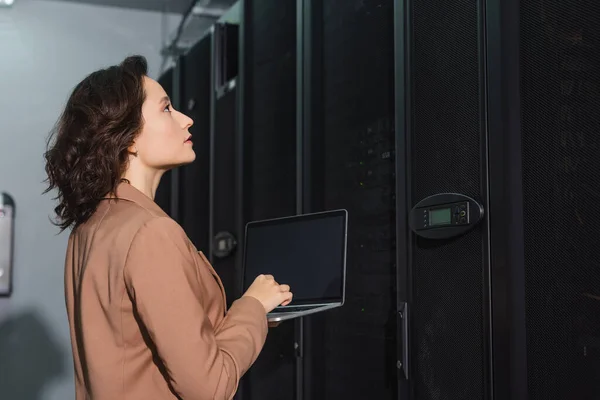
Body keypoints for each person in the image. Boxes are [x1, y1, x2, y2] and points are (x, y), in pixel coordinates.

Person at [44, 55, 293, 400]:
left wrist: (249, 317)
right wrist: (252, 304)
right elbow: (210, 386)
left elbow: (134, 349)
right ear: (128, 137)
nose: (187, 120)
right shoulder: (151, 232)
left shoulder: (88, 227)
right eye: (166, 109)